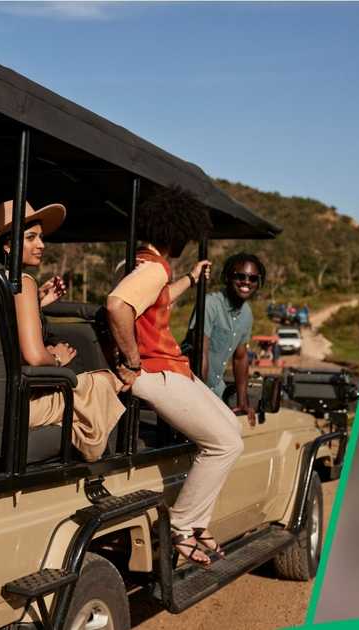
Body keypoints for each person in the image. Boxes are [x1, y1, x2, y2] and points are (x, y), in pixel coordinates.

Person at [105, 187, 243, 566]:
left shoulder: (143, 264)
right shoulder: (152, 268)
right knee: (224, 444)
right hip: (155, 370)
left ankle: (197, 523)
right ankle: (182, 526)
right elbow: (117, 307)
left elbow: (157, 298)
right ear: (179, 233)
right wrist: (133, 361)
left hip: (168, 367)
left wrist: (191, 279)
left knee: (230, 427)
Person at [0, 200, 126, 463]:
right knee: (107, 382)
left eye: (41, 238)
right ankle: (103, 463)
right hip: (23, 402)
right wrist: (57, 360)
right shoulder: (23, 281)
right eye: (31, 237)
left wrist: (37, 304)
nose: (41, 245)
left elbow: (2, 324)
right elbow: (34, 357)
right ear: (8, 245)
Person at [192, 252, 266, 424]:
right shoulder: (210, 304)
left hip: (217, 390)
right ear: (227, 277)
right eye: (240, 276)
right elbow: (200, 353)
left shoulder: (247, 313)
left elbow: (240, 358)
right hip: (194, 387)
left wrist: (242, 402)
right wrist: (200, 399)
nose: (246, 282)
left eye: (253, 278)